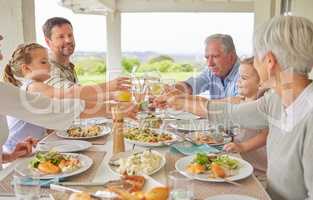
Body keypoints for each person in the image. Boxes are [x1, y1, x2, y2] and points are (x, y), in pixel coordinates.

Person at [164, 16, 313, 200]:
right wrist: (179, 101)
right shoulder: (276, 99)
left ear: (269, 61)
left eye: (256, 57)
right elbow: (230, 113)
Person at [2, 42, 134, 152]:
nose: (49, 65)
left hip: (27, 148)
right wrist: (108, 86)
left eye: (48, 61)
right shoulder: (33, 87)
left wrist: (110, 96)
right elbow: (69, 94)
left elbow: (70, 102)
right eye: (43, 62)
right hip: (17, 154)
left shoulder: (34, 87)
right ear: (26, 69)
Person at [223, 57, 268, 176]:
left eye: (243, 78)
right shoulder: (240, 100)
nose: (238, 81)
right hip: (241, 164)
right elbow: (211, 104)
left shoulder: (261, 105)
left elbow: (265, 135)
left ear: (261, 82)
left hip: (258, 172)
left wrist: (242, 147)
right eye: (238, 77)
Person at [164, 34, 240, 99]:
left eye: (215, 56)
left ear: (231, 57)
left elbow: (238, 105)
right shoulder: (212, 72)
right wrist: (170, 90)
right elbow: (192, 85)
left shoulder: (245, 74)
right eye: (207, 57)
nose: (210, 64)